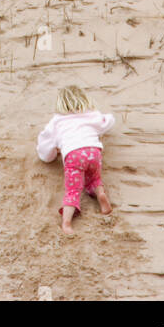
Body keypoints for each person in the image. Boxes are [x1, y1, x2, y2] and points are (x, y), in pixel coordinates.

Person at [36, 84, 115, 234]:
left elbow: (45, 146)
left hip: (74, 155)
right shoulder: (91, 114)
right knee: (94, 178)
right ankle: (100, 194)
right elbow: (108, 121)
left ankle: (67, 223)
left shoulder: (57, 121)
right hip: (93, 151)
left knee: (73, 190)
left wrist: (50, 156)